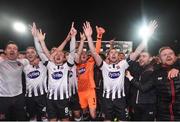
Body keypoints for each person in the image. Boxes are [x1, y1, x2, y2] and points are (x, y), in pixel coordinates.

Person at [83, 20, 157, 121]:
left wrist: (147, 36)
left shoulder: (123, 64)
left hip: (120, 100)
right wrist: (89, 37)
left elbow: (138, 51)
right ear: (108, 56)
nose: (113, 54)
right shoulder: (103, 65)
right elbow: (94, 53)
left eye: (115, 53)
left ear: (119, 56)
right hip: (106, 100)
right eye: (111, 53)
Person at [32, 23, 75, 121]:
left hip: (63, 99)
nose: (58, 55)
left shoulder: (66, 66)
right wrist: (36, 38)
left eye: (61, 53)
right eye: (56, 54)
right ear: (52, 57)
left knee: (65, 120)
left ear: (64, 57)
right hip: (50, 100)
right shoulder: (49, 65)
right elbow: (40, 52)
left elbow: (72, 52)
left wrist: (73, 37)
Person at [76, 25, 105, 120]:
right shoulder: (75, 65)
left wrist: (98, 37)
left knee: (93, 114)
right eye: (82, 54)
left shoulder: (90, 62)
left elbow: (95, 51)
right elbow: (77, 53)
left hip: (90, 91)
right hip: (80, 91)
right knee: (84, 112)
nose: (83, 55)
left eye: (85, 54)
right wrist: (81, 40)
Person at [0, 41, 28, 121]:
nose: (12, 50)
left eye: (14, 49)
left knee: (21, 118)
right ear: (5, 51)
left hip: (19, 96)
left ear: (18, 52)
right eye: (9, 48)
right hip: (3, 97)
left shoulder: (23, 62)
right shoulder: (1, 62)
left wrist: (35, 60)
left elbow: (31, 60)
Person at [126, 51, 156, 120]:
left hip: (148, 106)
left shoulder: (154, 70)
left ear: (150, 58)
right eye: (140, 56)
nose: (141, 58)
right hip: (136, 106)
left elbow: (144, 88)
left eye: (144, 56)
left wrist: (130, 78)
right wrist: (133, 104)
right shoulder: (138, 68)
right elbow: (127, 63)